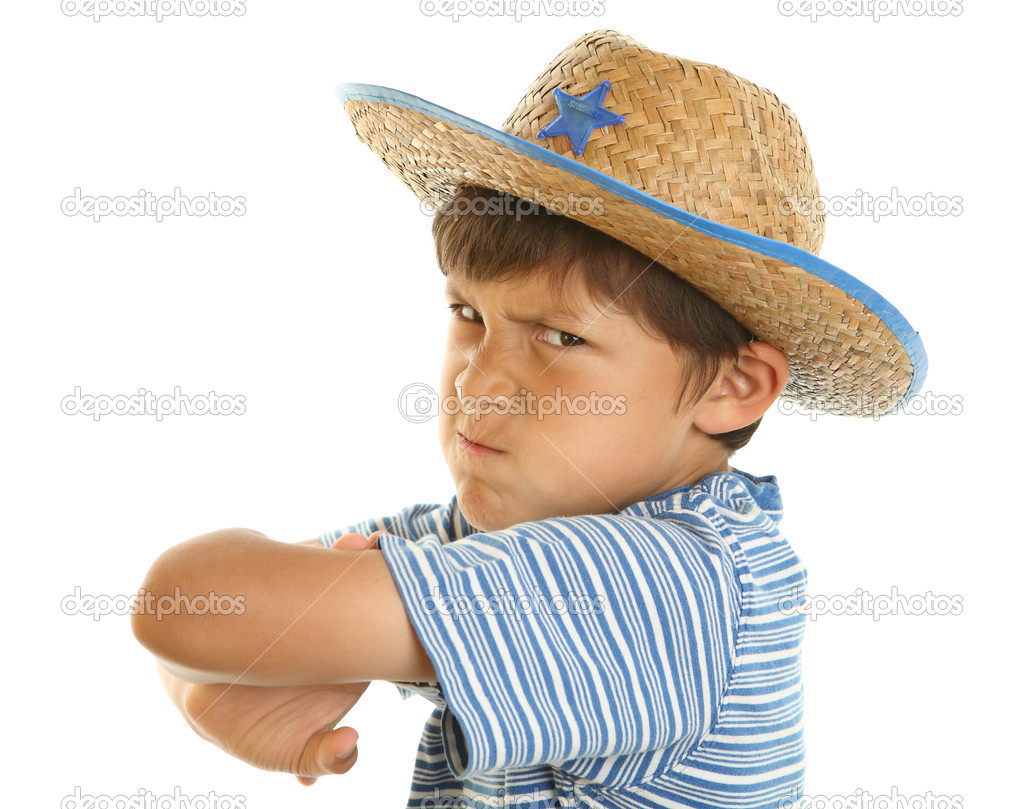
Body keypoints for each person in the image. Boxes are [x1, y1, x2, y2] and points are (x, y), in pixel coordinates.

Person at [131, 29, 927, 809]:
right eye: (469, 313)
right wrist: (213, 682)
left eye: (561, 336)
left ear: (734, 384)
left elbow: (190, 602)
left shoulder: (667, 582)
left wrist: (220, 665)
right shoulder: (504, 529)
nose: (478, 380)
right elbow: (213, 622)